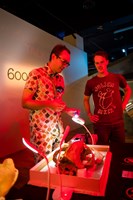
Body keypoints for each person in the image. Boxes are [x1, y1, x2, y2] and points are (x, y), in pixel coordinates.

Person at [22, 44, 80, 163]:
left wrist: (67, 110)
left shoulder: (60, 79)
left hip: (58, 130)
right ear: (54, 56)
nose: (65, 66)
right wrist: (48, 104)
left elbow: (57, 103)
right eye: (63, 62)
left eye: (67, 64)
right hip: (42, 133)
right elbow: (25, 102)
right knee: (44, 167)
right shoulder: (36, 74)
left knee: (59, 163)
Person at [83, 50, 131, 145]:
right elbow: (85, 99)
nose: (99, 65)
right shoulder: (91, 82)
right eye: (97, 63)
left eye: (102, 62)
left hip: (117, 122)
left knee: (119, 149)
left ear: (107, 62)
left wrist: (123, 105)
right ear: (95, 64)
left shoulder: (117, 78)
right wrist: (89, 114)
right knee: (101, 150)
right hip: (101, 124)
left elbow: (128, 90)